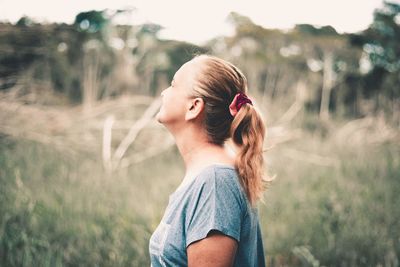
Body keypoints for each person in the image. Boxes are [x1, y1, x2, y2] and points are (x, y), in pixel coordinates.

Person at [150, 54, 268, 267]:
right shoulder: (208, 176)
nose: (164, 92)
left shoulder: (215, 185)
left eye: (173, 85)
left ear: (194, 107)